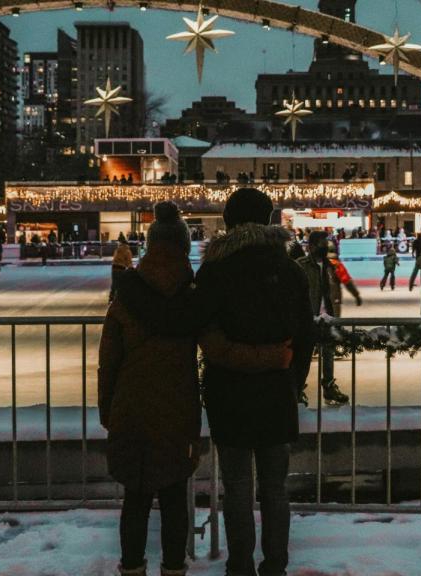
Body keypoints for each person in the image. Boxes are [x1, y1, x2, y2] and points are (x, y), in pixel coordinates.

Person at [114, 188, 315, 576]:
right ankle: (275, 566)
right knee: (275, 488)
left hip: (231, 393)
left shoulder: (218, 270)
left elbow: (183, 319)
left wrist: (130, 287)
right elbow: (305, 335)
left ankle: (240, 565)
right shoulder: (290, 271)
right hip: (277, 392)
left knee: (238, 485)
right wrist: (291, 380)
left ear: (230, 223)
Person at [296, 232, 352, 406]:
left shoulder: (331, 265)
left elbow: (338, 287)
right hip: (308, 318)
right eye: (321, 243)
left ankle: (328, 387)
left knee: (328, 354)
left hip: (327, 317)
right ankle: (297, 390)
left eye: (325, 243)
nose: (324, 246)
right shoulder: (300, 265)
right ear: (311, 246)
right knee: (303, 356)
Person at [110, 233, 134, 302]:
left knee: (114, 283)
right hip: (121, 268)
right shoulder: (127, 251)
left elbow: (114, 258)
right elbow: (129, 262)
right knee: (121, 283)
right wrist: (131, 269)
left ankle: (111, 297)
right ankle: (120, 299)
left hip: (114, 267)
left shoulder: (117, 250)